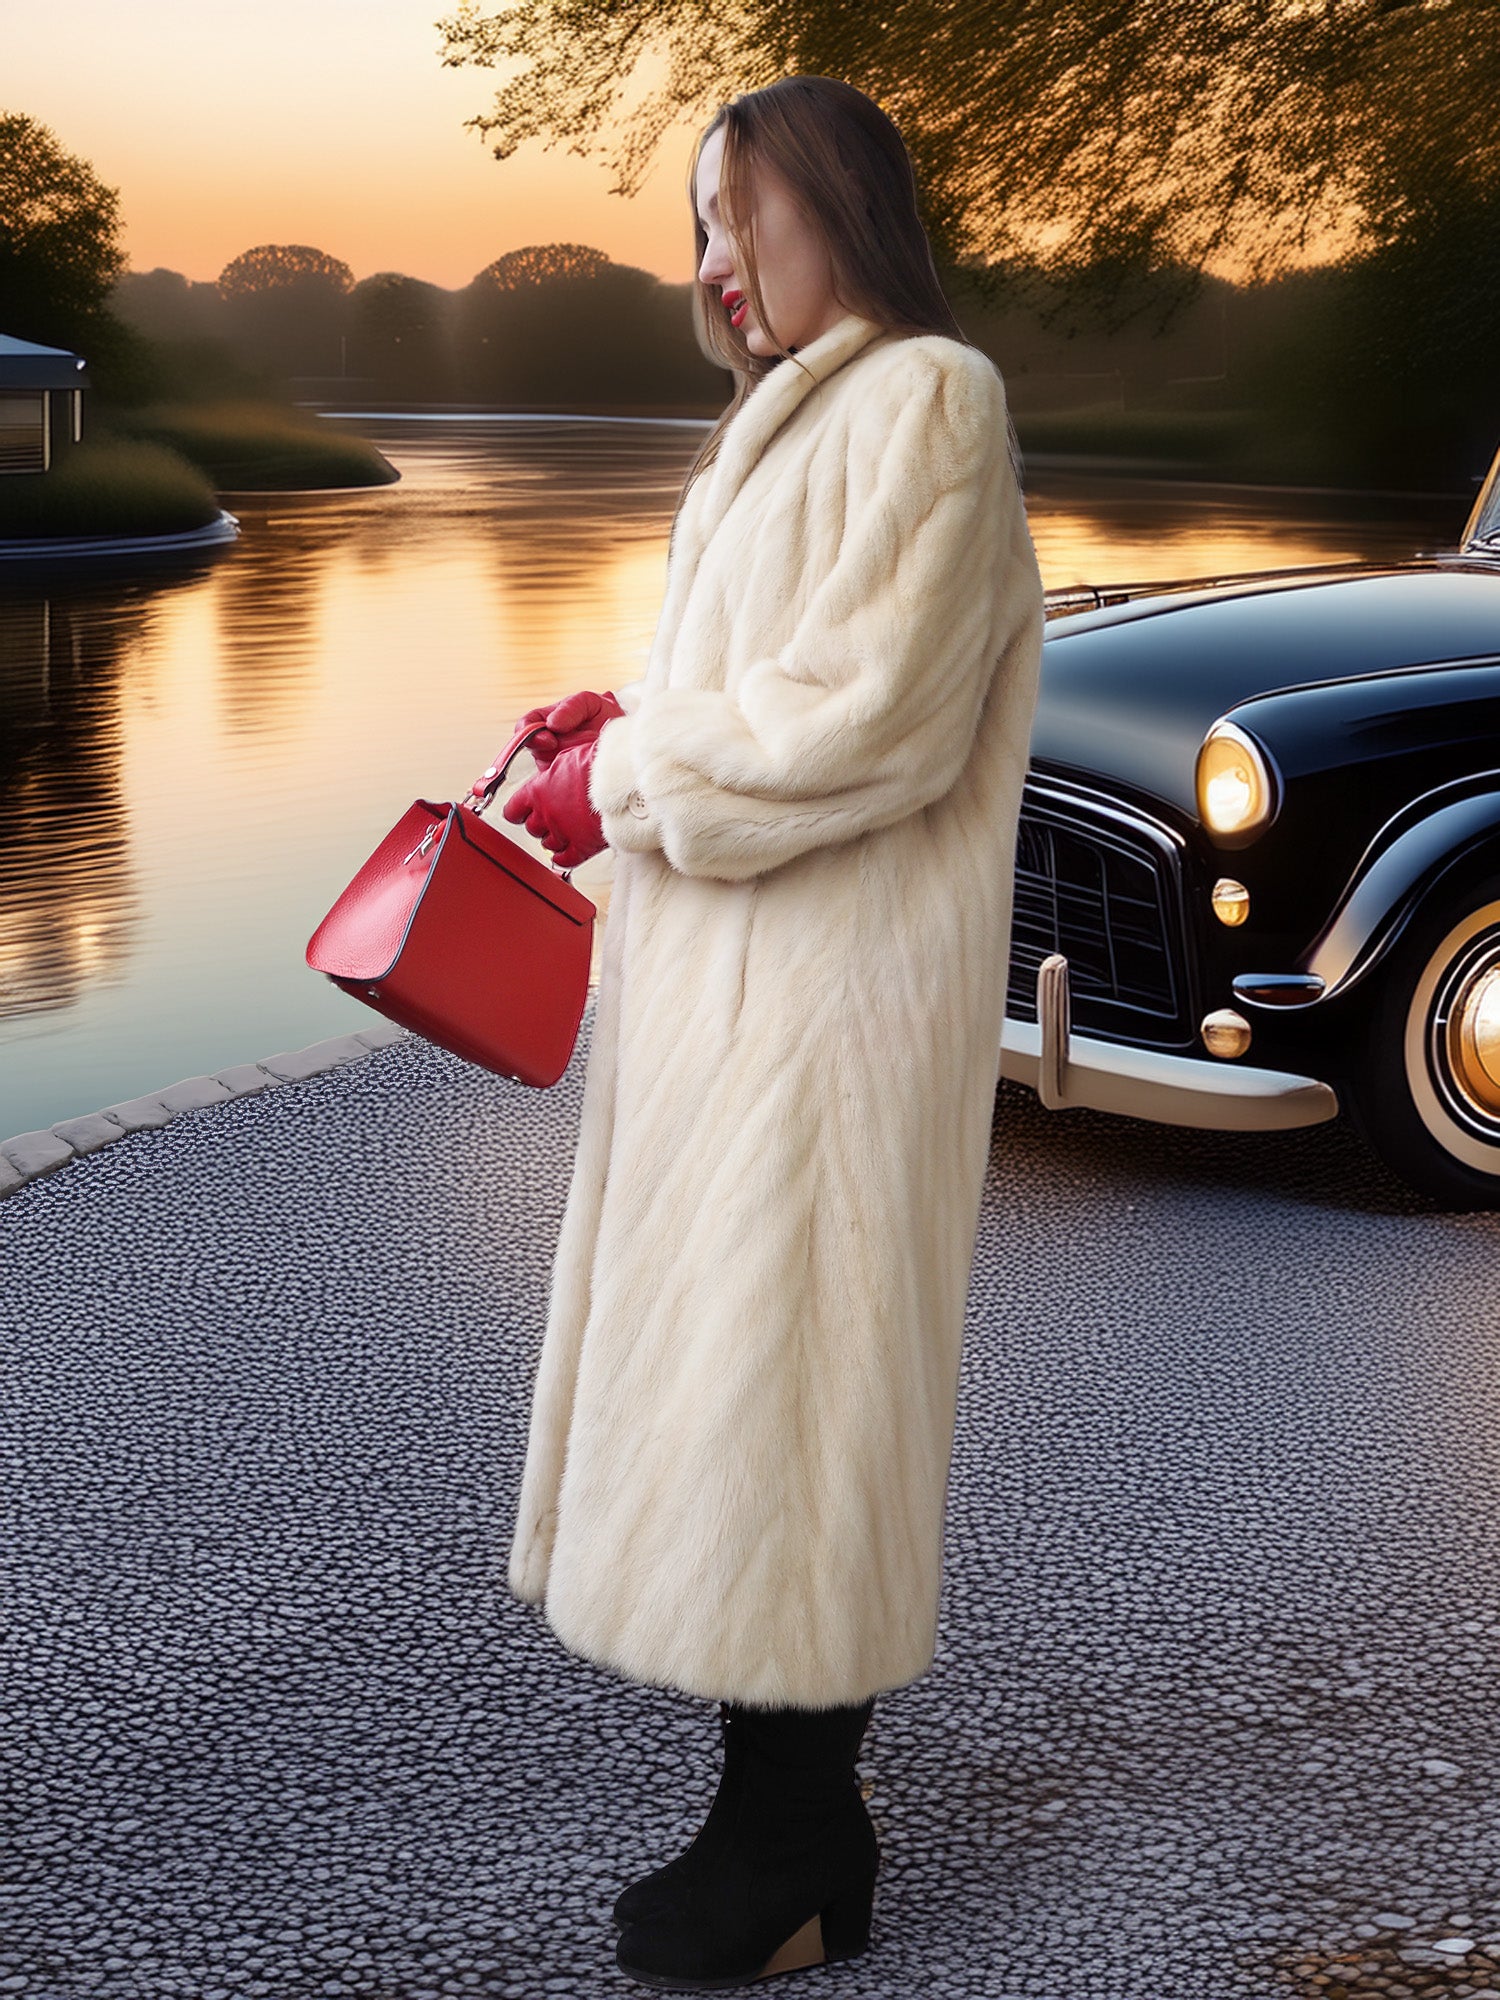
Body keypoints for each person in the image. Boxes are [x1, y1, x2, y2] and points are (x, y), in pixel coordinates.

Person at [499, 73, 1045, 1991]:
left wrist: (627, 780)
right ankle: (787, 1820)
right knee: (745, 1372)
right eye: (701, 234)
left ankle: (802, 1833)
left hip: (831, 1014)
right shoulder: (779, 423)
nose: (720, 267)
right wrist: (616, 726)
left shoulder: (930, 399)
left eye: (743, 216)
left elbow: (867, 720)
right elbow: (757, 694)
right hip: (741, 999)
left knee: (799, 1387)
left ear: (845, 204)